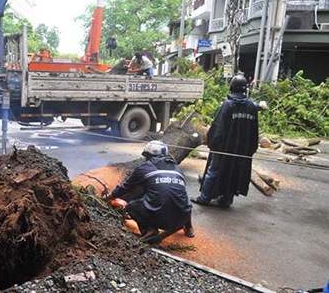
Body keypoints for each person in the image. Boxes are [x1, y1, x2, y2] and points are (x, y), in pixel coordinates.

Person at [192, 74, 259, 208]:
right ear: (245, 89)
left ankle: (204, 198)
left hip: (224, 148)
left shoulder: (228, 105)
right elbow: (254, 130)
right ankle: (226, 201)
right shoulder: (251, 106)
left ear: (231, 87)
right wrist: (250, 149)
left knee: (214, 170)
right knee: (233, 171)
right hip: (241, 149)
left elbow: (219, 127)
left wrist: (213, 144)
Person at [108, 141, 194, 244]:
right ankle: (189, 228)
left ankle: (149, 230)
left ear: (148, 155)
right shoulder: (178, 169)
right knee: (182, 199)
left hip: (160, 220)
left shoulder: (144, 168)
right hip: (182, 218)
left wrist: (111, 196)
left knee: (131, 206)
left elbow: (126, 186)